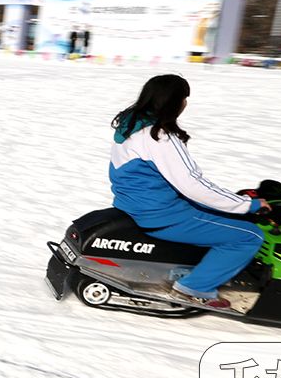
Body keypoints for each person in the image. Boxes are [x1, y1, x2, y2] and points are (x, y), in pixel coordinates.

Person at [109, 74, 267, 309]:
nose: (185, 104)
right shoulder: (159, 137)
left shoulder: (132, 125)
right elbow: (194, 185)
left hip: (136, 204)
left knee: (223, 213)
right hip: (162, 213)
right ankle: (195, 288)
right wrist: (248, 204)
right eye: (184, 98)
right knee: (249, 236)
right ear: (172, 102)